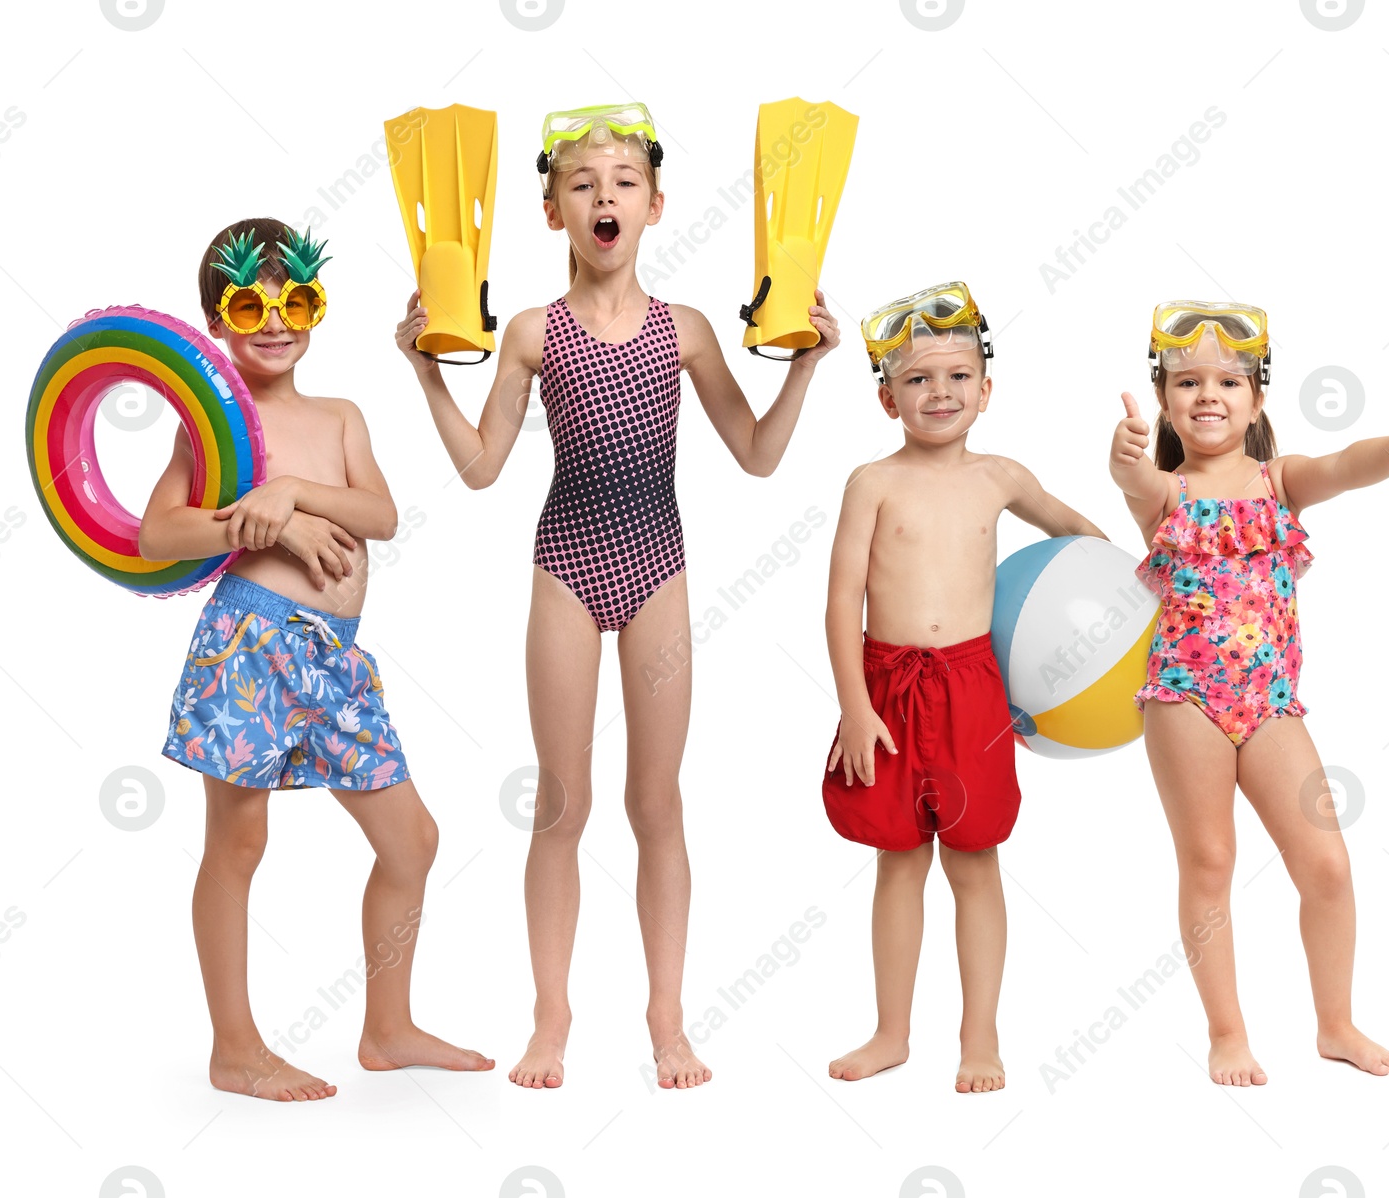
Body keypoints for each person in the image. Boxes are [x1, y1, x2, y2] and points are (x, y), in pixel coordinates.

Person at [395, 103, 839, 1089]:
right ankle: (550, 1018)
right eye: (583, 183)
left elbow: (758, 456)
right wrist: (427, 375)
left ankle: (667, 1020)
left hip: (658, 572)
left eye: (624, 182)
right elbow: (478, 469)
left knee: (656, 802)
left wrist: (804, 365)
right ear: (551, 210)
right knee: (561, 802)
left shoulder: (682, 331)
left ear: (656, 206)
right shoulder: (527, 334)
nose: (605, 195)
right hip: (564, 562)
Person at [142, 219, 492, 1101]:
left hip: (335, 659)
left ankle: (388, 1026)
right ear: (215, 320)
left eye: (294, 300)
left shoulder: (340, 418)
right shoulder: (215, 428)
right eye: (248, 303)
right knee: (239, 840)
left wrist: (293, 492)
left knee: (412, 838)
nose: (273, 320)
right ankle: (236, 1047)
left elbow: (380, 514)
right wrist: (260, 521)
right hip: (248, 645)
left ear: (315, 309)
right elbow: (157, 533)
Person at [1109, 300, 1389, 1085]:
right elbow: (1128, 478)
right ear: (1163, 399)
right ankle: (1227, 1033)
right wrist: (1125, 456)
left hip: (1269, 702)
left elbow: (1345, 465)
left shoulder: (1279, 481)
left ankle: (1336, 1024)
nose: (1207, 395)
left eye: (1228, 379)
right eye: (1186, 381)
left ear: (1257, 398)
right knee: (1210, 858)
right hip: (1184, 695)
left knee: (1326, 864)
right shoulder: (1164, 491)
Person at [821, 282, 1107, 1093]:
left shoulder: (1001, 477)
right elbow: (844, 599)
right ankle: (890, 1032)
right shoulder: (871, 483)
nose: (938, 392)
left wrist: (1128, 594)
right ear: (887, 398)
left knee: (976, 862)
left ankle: (979, 1037)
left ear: (987, 389)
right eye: (917, 380)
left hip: (974, 687)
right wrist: (854, 704)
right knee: (898, 859)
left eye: (956, 376)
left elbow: (1074, 535)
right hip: (888, 688)